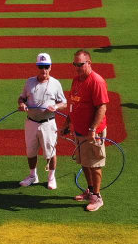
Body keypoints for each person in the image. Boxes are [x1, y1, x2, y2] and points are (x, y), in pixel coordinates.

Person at [63, 50, 108, 212]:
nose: (77, 68)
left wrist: (93, 129)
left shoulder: (96, 81)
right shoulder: (76, 80)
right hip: (80, 131)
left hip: (92, 132)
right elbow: (73, 104)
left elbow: (102, 107)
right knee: (85, 162)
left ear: (89, 63)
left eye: (80, 64)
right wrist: (68, 122)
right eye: (75, 64)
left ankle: (97, 197)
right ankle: (90, 190)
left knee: (95, 164)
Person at [17, 52, 68, 189]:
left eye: (46, 66)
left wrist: (56, 106)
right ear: (37, 67)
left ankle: (51, 177)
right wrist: (22, 104)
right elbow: (22, 98)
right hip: (31, 122)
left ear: (50, 67)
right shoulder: (29, 82)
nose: (43, 70)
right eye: (41, 66)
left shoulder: (55, 83)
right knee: (31, 151)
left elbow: (64, 102)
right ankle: (33, 176)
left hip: (48, 123)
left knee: (50, 152)